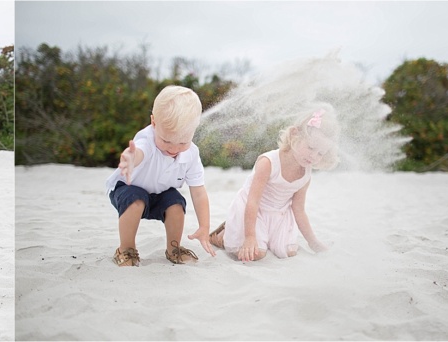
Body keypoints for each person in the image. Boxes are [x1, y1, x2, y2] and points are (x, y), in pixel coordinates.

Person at [209, 103, 338, 262]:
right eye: (311, 147)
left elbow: (298, 209)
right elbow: (253, 200)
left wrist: (313, 242)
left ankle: (262, 235)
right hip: (253, 210)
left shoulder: (306, 174)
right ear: (295, 135)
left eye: (320, 153)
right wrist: (250, 237)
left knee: (289, 251)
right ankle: (223, 235)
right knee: (257, 253)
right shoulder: (268, 162)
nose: (313, 156)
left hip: (279, 215)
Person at [105, 85, 214, 267]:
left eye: (182, 142)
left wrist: (204, 227)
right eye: (166, 141)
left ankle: (174, 249)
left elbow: (199, 192)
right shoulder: (147, 139)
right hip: (127, 189)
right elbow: (139, 152)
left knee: (176, 203)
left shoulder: (192, 154)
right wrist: (131, 159)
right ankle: (126, 249)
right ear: (154, 123)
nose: (173, 149)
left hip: (159, 194)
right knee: (135, 199)